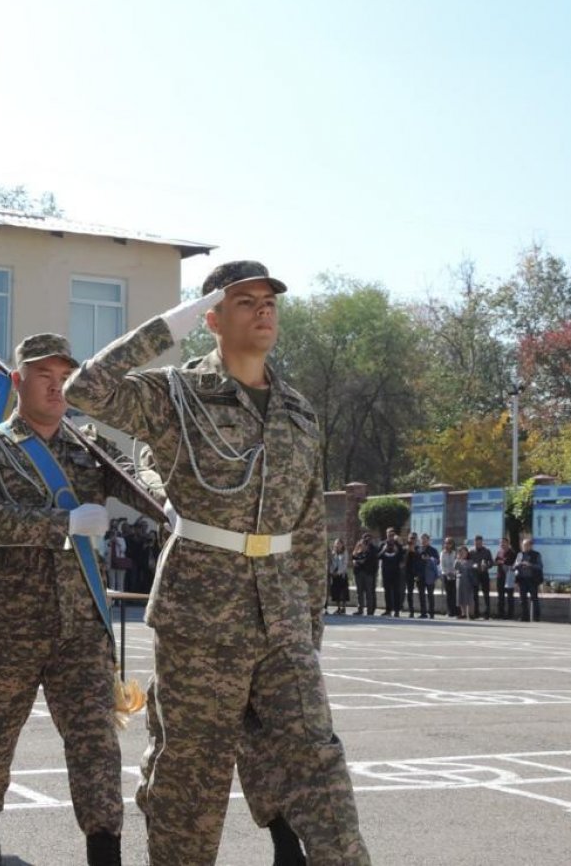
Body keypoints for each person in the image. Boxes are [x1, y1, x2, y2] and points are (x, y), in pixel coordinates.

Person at [65, 260, 370, 865]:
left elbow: (307, 525)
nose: (263, 310)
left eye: (269, 302)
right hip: (203, 613)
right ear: (210, 319)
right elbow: (86, 391)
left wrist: (311, 627)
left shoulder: (299, 410)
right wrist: (164, 328)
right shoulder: (176, 394)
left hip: (282, 613)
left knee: (318, 757)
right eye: (245, 301)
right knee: (191, 773)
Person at [0, 333, 128, 866]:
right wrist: (63, 523)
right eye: (44, 376)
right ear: (18, 381)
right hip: (7, 628)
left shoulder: (90, 447)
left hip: (80, 628)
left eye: (64, 377)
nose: (56, 387)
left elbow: (139, 478)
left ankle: (105, 855)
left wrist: (167, 499)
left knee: (96, 749)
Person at [513, 537, 544, 622]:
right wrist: (519, 564)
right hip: (522, 579)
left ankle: (536, 617)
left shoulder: (536, 554)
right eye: (523, 545)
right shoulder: (520, 554)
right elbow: (514, 566)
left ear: (531, 546)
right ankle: (524, 617)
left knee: (534, 599)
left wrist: (530, 565)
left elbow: (540, 566)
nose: (524, 547)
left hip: (532, 580)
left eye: (526, 545)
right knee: (522, 600)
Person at [351, 533, 379, 615]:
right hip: (359, 574)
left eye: (363, 545)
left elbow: (363, 561)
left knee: (369, 592)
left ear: (366, 546)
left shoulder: (371, 552)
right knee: (359, 592)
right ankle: (360, 609)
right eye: (360, 545)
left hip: (368, 574)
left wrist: (357, 562)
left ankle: (369, 610)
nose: (361, 546)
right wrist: (356, 548)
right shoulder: (359, 552)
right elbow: (353, 557)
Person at [379, 531, 405, 617]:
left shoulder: (398, 545)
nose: (391, 537)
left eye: (392, 535)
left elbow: (402, 557)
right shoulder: (382, 544)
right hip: (386, 571)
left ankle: (397, 610)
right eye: (389, 535)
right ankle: (388, 610)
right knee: (387, 591)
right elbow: (378, 556)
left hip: (396, 571)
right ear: (386, 535)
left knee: (396, 591)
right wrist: (384, 550)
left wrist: (397, 550)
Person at [470, 535, 494, 619]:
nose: (478, 544)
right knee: (474, 595)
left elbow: (491, 562)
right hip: (475, 575)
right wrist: (473, 565)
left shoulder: (487, 551)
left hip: (484, 574)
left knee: (486, 594)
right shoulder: (471, 551)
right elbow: (469, 562)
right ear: (474, 542)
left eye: (480, 543)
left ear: (482, 542)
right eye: (477, 542)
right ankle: (476, 613)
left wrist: (486, 565)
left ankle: (487, 614)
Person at [419, 533, 440, 618]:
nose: (423, 541)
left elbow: (437, 561)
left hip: (430, 576)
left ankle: (431, 613)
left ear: (428, 540)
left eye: (425, 539)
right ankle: (423, 613)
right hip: (420, 575)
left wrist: (429, 559)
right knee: (421, 595)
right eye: (422, 539)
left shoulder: (433, 550)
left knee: (430, 595)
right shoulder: (419, 549)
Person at [494, 537, 515, 620]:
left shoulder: (512, 552)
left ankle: (510, 614)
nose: (502, 544)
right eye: (501, 543)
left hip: (509, 577)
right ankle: (500, 613)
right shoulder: (499, 552)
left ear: (508, 543)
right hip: (500, 576)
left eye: (504, 542)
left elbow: (511, 562)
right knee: (500, 596)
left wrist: (502, 562)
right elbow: (496, 561)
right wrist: (499, 562)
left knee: (509, 596)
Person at [329, 538, 350, 615]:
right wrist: (331, 572)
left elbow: (345, 564)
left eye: (338, 543)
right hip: (334, 575)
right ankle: (338, 607)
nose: (337, 545)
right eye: (336, 543)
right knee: (336, 591)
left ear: (342, 544)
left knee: (343, 591)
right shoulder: (333, 553)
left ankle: (343, 607)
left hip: (342, 574)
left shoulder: (345, 553)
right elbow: (331, 563)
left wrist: (338, 572)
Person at [455, 546, 477, 620]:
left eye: (464, 552)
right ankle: (463, 613)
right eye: (460, 552)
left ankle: (471, 614)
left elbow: (474, 569)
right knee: (460, 597)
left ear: (467, 553)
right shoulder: (457, 561)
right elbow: (455, 568)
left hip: (468, 581)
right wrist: (458, 559)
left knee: (469, 598)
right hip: (460, 581)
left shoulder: (471, 561)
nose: (462, 553)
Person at [440, 537, 459, 618]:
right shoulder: (442, 553)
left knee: (455, 593)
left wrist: (453, 573)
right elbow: (442, 565)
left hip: (454, 575)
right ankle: (449, 611)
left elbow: (457, 564)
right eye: (446, 543)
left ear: (452, 544)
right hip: (446, 575)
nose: (447, 545)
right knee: (448, 594)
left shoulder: (455, 552)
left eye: (449, 543)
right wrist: (447, 573)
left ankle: (455, 611)